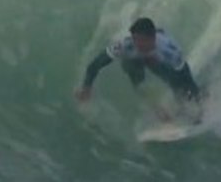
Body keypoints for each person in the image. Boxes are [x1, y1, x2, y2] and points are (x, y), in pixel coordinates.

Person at [74, 17, 203, 122]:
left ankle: (193, 105)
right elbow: (95, 65)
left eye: (141, 40)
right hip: (134, 61)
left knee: (179, 85)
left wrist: (190, 99)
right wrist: (87, 87)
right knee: (138, 82)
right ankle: (159, 111)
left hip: (158, 60)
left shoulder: (169, 51)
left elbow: (185, 77)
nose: (137, 44)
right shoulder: (126, 45)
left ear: (152, 39)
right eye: (135, 39)